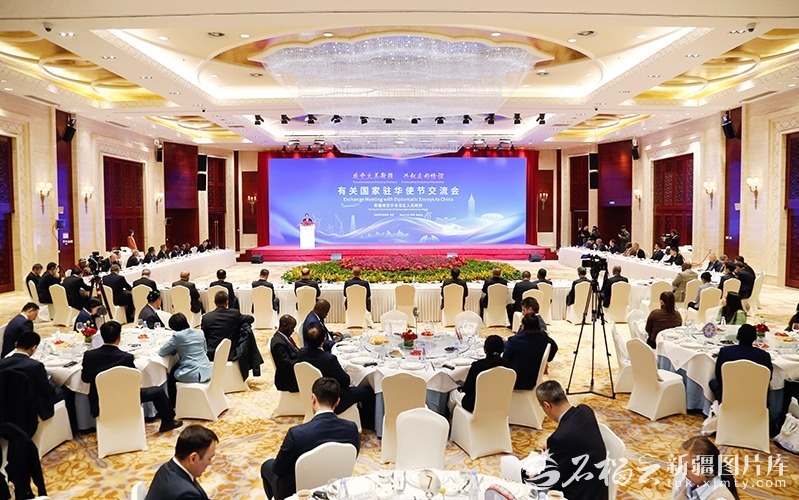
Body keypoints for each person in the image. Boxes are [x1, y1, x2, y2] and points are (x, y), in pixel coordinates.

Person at [260, 377, 360, 500]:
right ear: (337, 402)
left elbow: (278, 469)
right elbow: (352, 457)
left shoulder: (296, 434)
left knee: (267, 466)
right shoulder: (352, 429)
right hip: (335, 486)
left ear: (313, 398)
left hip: (298, 493)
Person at [81, 321, 182, 432]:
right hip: (127, 398)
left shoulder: (89, 355)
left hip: (100, 400)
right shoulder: (126, 357)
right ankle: (168, 422)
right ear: (119, 337)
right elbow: (135, 380)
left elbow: (85, 379)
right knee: (158, 392)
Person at [530, 380, 608, 500]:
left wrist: (533, 477)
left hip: (580, 494)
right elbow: (576, 440)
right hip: (599, 488)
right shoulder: (585, 410)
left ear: (547, 405)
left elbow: (552, 480)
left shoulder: (559, 438)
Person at [297, 325, 374, 429]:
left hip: (310, 394)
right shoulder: (329, 359)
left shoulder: (301, 353)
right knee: (369, 391)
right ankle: (368, 423)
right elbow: (346, 381)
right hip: (332, 398)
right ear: (324, 339)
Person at [0, 331, 61, 425]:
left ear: (16, 344)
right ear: (34, 348)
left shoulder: (2, 363)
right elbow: (47, 390)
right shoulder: (35, 366)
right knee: (63, 391)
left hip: (5, 404)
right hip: (29, 407)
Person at [146, 424, 219, 500]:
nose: (210, 463)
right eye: (209, 458)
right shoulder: (186, 494)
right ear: (193, 458)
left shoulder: (166, 468)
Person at [159, 313, 213, 408]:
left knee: (171, 376)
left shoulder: (178, 336)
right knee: (175, 367)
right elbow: (205, 350)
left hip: (193, 373)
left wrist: (175, 350)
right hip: (207, 369)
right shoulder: (200, 332)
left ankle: (173, 406)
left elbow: (162, 352)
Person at [450, 335, 506, 412]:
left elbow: (467, 389)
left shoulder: (477, 366)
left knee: (452, 394)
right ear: (502, 349)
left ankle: (449, 417)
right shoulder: (507, 365)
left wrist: (462, 385)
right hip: (499, 403)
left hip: (474, 405)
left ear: (485, 350)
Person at [671, 436, 738, 499]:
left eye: (689, 468)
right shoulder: (685, 478)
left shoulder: (719, 497)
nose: (683, 470)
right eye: (683, 464)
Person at [504, 313, 558, 390]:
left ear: (523, 326)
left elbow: (505, 360)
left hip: (516, 381)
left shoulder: (514, 341)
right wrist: (546, 360)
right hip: (535, 378)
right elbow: (554, 347)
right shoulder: (543, 337)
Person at [201, 290, 254, 361]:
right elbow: (251, 319)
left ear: (214, 302)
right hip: (231, 354)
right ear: (227, 302)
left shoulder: (206, 317)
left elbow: (204, 336)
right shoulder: (234, 314)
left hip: (212, 355)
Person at [270, 315, 300, 393]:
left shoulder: (286, 337)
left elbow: (296, 350)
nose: (293, 331)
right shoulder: (278, 343)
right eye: (292, 328)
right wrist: (302, 360)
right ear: (284, 325)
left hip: (294, 372)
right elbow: (286, 365)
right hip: (288, 380)